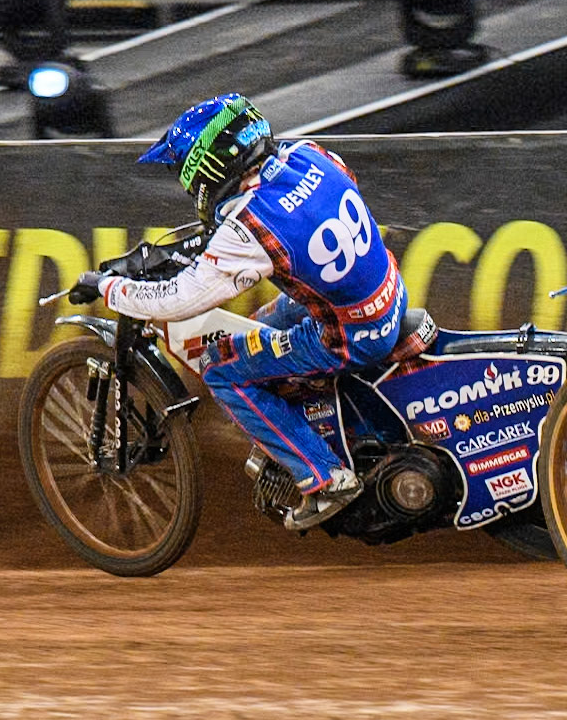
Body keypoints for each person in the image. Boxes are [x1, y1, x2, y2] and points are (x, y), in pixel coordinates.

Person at [68, 93, 420, 531]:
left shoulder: (250, 224)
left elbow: (183, 299)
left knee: (222, 368)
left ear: (208, 165)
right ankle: (306, 419)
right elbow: (294, 217)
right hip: (387, 292)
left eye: (185, 173)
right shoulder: (311, 155)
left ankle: (325, 477)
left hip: (349, 334)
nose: (186, 184)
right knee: (267, 322)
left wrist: (110, 288)